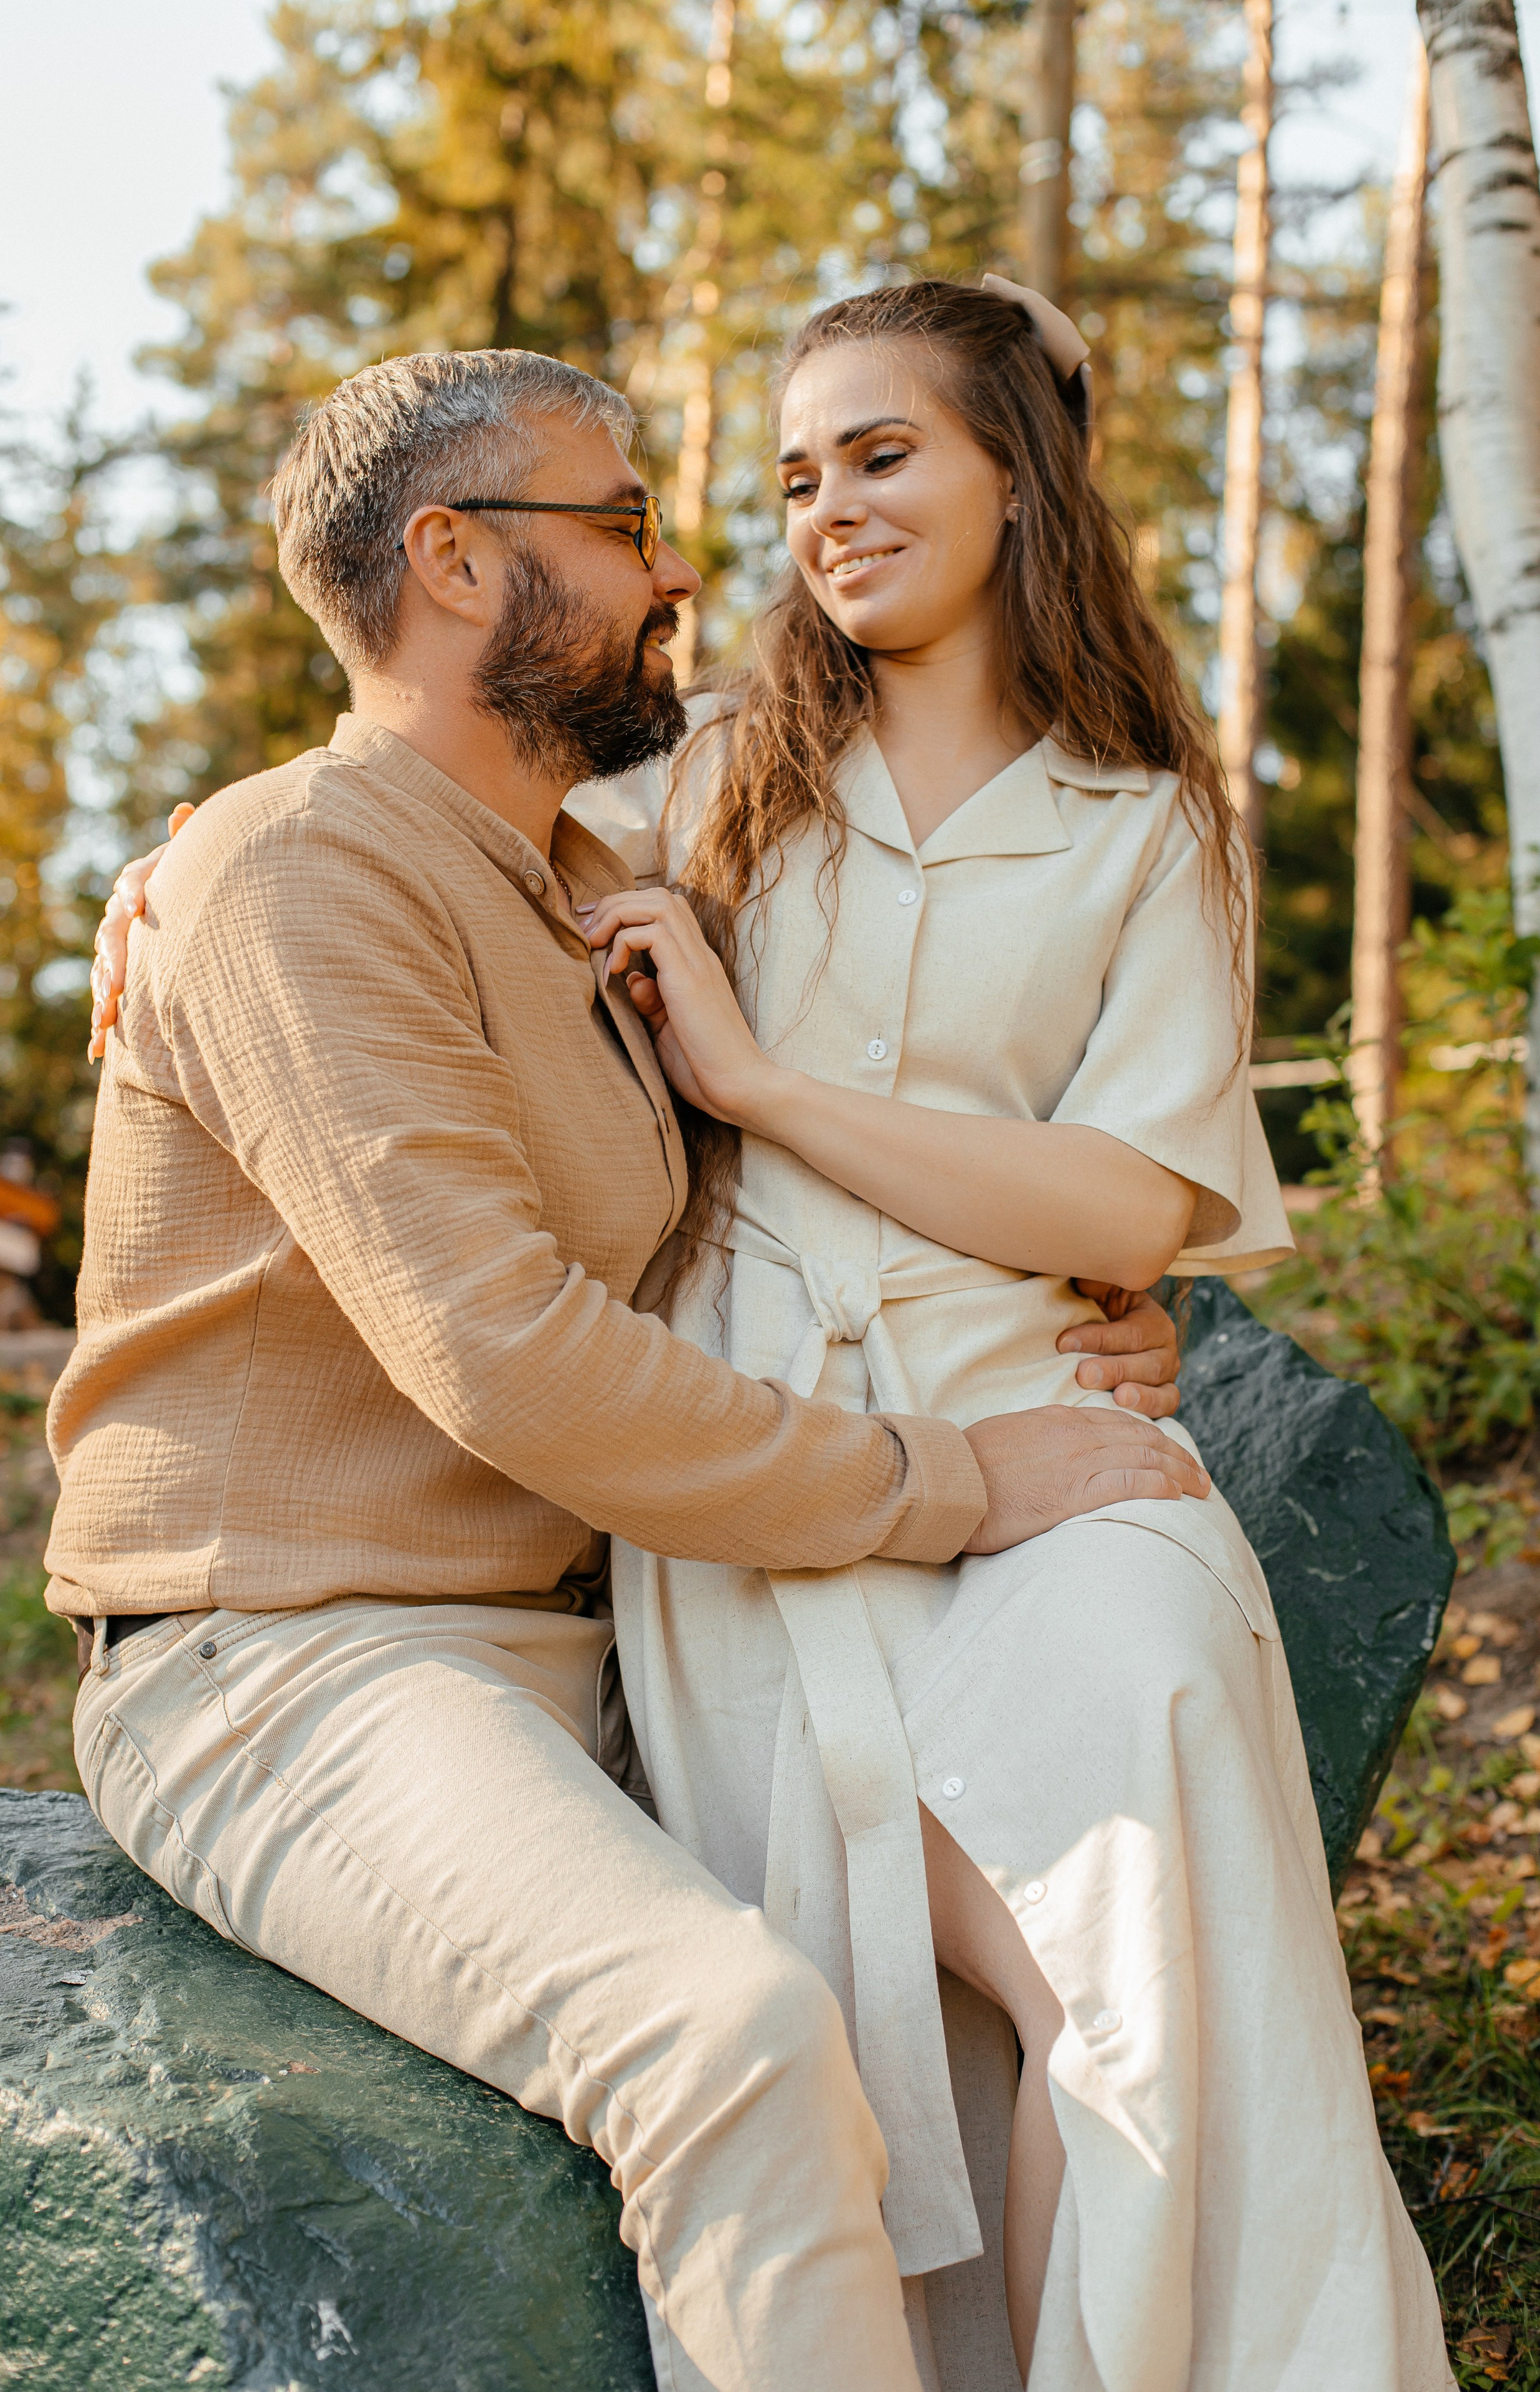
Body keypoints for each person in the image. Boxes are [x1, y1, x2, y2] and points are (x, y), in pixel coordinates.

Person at [63, 343, 1196, 2392]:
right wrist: (961, 1471)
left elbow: (857, 1103)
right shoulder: (297, 869)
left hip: (607, 1646)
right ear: (457, 564)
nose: (682, 574)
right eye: (628, 526)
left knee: (1049, 1970)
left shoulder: (589, 881)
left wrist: (1084, 1278)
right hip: (292, 1662)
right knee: (738, 2039)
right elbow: (512, 1359)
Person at [542, 280, 1454, 2390]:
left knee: (1138, 1893)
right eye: (794, 478)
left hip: (1067, 1445)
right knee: (1067, 1974)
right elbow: (412, 841)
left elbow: (1130, 1204)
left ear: (1015, 481)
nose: (826, 512)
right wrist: (191, 868)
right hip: (771, 1473)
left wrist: (761, 1091)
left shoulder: (1148, 823)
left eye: (883, 453)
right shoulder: (704, 786)